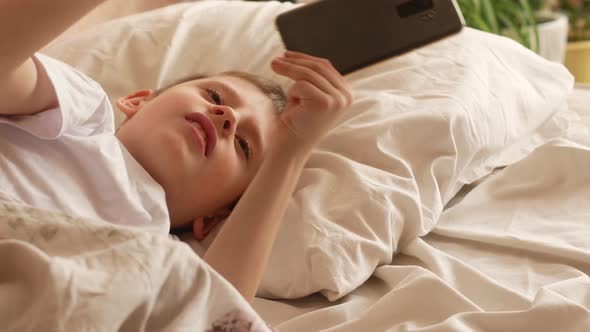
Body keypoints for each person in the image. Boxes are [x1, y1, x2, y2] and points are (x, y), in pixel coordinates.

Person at [0, 0, 352, 302]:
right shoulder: (83, 111)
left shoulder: (162, 258)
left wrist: (293, 150)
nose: (227, 116)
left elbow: (219, 311)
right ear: (136, 101)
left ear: (211, 220)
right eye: (214, 96)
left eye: (244, 145)